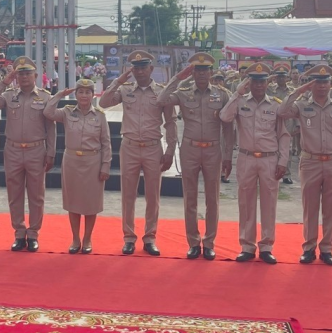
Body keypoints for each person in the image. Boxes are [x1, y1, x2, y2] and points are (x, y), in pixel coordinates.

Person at [157, 52, 235, 260]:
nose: (201, 74)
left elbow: (228, 128)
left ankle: (209, 242)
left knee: (213, 199)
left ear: (211, 72)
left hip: (213, 150)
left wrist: (228, 156)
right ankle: (193, 242)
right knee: (190, 198)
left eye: (205, 70)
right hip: (190, 149)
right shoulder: (183, 93)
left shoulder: (222, 94)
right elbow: (162, 99)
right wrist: (178, 78)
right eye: (197, 70)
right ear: (193, 73)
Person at [99, 51, 177, 256]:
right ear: (132, 70)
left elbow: (170, 122)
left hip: (153, 147)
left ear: (151, 69)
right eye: (136, 68)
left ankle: (150, 237)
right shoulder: (125, 90)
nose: (140, 71)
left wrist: (170, 150)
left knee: (153, 195)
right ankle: (129, 237)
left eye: (144, 67)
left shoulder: (162, 92)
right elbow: (104, 103)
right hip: (130, 147)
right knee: (128, 195)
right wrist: (118, 80)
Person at [278, 64, 332, 266]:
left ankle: (327, 248)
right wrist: (298, 91)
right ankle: (309, 247)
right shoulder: (303, 105)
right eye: (318, 82)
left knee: (331, 208)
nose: (322, 86)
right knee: (310, 207)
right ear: (312, 84)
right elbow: (283, 111)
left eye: (325, 82)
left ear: (331, 84)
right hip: (310, 161)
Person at [220, 61, 289, 264]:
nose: (259, 85)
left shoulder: (276, 104)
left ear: (267, 83)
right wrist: (237, 94)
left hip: (269, 158)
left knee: (269, 204)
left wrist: (283, 161)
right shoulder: (240, 102)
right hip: (246, 157)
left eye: (262, 81)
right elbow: (224, 117)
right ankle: (247, 246)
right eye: (255, 81)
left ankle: (266, 246)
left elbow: (284, 135)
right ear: (249, 82)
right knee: (246, 202)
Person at [0, 57, 56, 252]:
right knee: (14, 194)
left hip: (36, 149)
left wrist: (51, 152)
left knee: (36, 194)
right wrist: (4, 82)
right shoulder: (9, 96)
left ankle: (33, 233)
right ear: (16, 76)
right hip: (13, 149)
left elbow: (51, 128)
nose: (24, 77)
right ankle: (18, 232)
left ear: (35, 75)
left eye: (27, 73)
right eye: (20, 73)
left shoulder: (45, 97)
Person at [44, 78, 111, 254]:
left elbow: (106, 143)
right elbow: (48, 112)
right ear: (76, 94)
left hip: (93, 162)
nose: (84, 95)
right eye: (80, 92)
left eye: (87, 92)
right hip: (72, 161)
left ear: (92, 94)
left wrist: (105, 166)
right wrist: (59, 94)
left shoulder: (100, 115)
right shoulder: (67, 112)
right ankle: (75, 238)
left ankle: (87, 238)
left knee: (91, 203)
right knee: (73, 202)